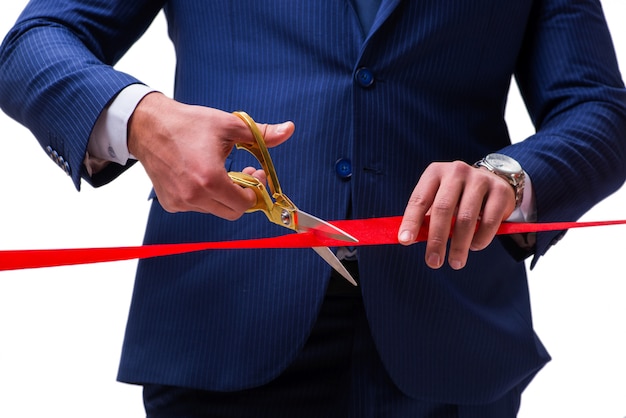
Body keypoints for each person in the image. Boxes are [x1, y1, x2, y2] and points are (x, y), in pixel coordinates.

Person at [1, 0, 625, 416]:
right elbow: (32, 44)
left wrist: (513, 177)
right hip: (220, 326)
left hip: (452, 343)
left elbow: (600, 108)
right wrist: (139, 118)